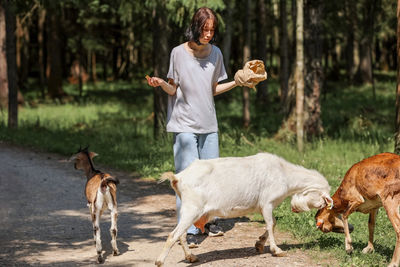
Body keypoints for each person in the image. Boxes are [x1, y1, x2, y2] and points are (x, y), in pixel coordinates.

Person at [146, 7, 266, 248]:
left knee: (213, 178)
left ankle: (208, 222)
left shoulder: (216, 53)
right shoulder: (178, 53)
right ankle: (188, 229)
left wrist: (236, 82)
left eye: (212, 30)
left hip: (209, 124)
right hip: (184, 124)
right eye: (205, 29)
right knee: (187, 180)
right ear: (196, 27)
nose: (209, 34)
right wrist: (161, 84)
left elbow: (213, 89)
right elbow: (174, 88)